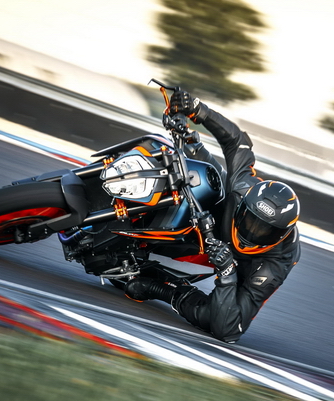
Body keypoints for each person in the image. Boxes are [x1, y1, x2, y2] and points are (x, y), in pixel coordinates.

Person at [125, 89, 301, 343]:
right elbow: (238, 142)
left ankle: (163, 289)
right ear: (245, 205)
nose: (252, 232)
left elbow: (231, 329)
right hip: (218, 220)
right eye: (251, 220)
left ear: (281, 235)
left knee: (219, 323)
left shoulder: (276, 263)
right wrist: (198, 110)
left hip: (239, 264)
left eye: (265, 231)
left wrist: (228, 273)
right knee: (204, 175)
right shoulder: (242, 188)